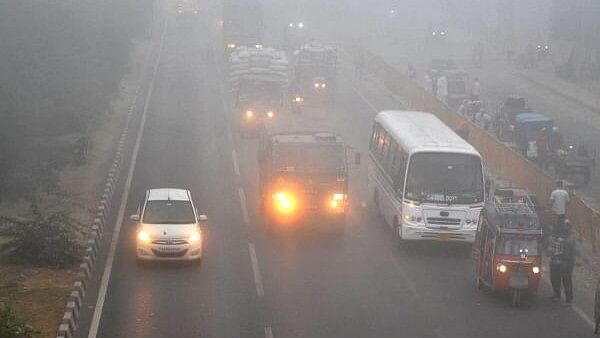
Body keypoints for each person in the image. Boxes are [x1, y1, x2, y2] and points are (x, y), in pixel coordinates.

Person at [549, 220, 576, 304]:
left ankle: (569, 299)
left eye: (567, 226)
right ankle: (557, 294)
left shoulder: (571, 238)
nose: (565, 227)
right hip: (555, 261)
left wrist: (568, 263)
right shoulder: (554, 237)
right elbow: (550, 249)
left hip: (566, 263)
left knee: (566, 281)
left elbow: (571, 253)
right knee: (554, 279)